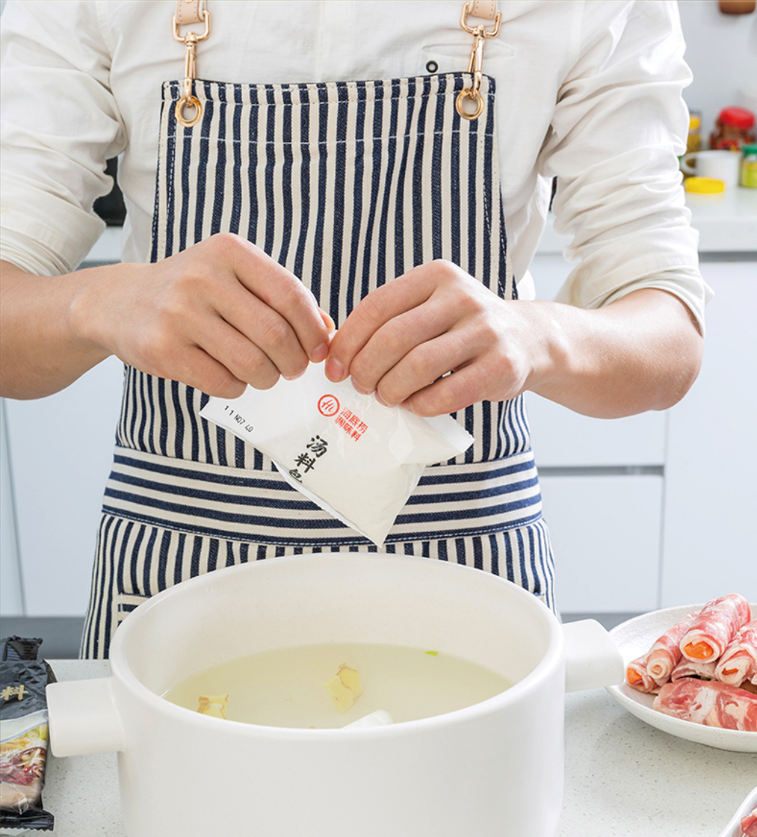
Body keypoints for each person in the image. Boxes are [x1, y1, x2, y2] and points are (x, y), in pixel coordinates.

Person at [0, 0, 708, 658]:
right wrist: (93, 302)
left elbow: (667, 336)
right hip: (175, 593)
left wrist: (534, 336)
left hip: (471, 585)